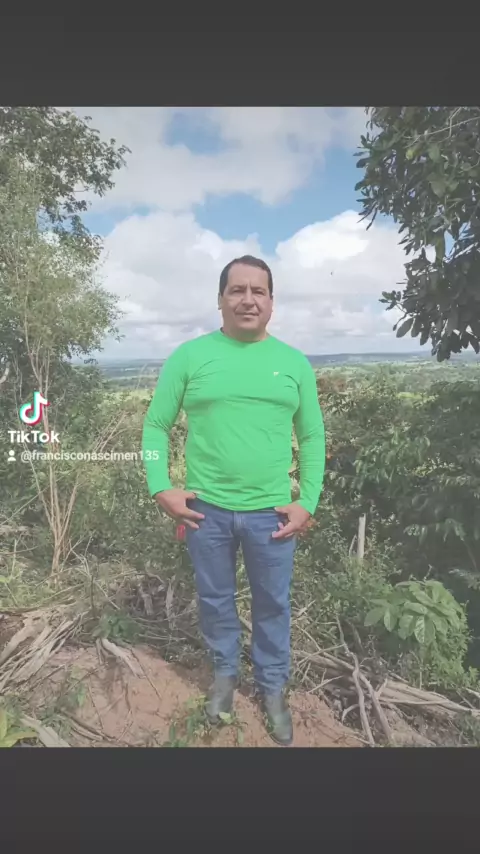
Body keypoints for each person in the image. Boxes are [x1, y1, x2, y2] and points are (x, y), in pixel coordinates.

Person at [142, 255, 325, 745]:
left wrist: (307, 500)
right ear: (220, 299)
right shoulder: (190, 356)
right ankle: (225, 674)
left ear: (271, 301)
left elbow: (312, 436)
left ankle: (272, 687)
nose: (248, 300)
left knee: (273, 604)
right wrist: (160, 486)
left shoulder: (294, 363)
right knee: (215, 599)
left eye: (258, 291)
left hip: (273, 514)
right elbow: (156, 425)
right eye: (237, 290)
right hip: (207, 511)